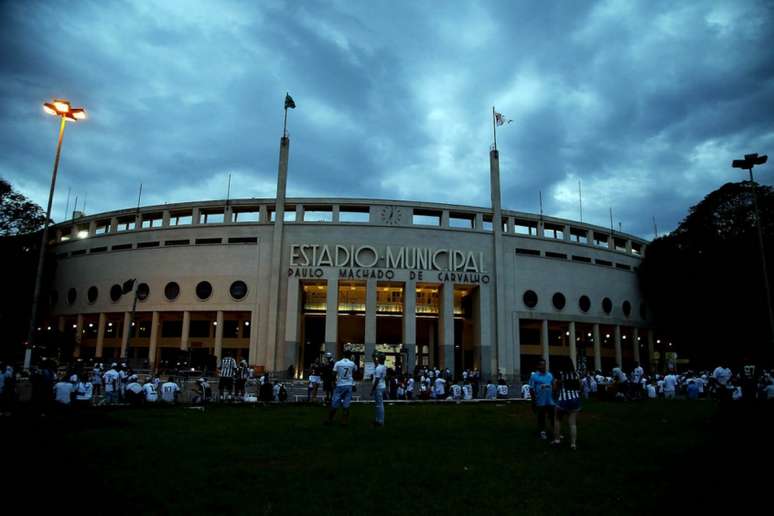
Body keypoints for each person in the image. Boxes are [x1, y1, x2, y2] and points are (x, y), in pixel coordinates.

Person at [326, 350, 357, 426]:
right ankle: (344, 422)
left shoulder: (338, 363)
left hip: (340, 384)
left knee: (334, 403)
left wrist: (333, 383)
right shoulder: (352, 363)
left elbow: (333, 374)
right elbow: (355, 372)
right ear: (350, 356)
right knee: (346, 405)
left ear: (343, 355)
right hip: (349, 385)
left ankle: (330, 420)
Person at [552, 370, 581, 450]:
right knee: (573, 423)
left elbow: (554, 387)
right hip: (575, 399)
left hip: (563, 399)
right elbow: (580, 385)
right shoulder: (576, 373)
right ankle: (573, 444)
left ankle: (557, 440)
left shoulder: (560, 374)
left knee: (557, 419)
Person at [528, 359, 555, 440]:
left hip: (550, 400)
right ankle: (542, 432)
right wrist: (534, 400)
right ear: (538, 366)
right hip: (540, 401)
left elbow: (553, 385)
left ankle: (555, 432)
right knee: (541, 417)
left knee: (552, 417)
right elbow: (531, 389)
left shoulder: (550, 375)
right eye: (541, 365)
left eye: (544, 365)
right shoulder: (534, 376)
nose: (543, 366)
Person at [371, 353, 387, 426]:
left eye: (378, 358)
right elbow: (376, 362)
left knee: (380, 405)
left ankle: (381, 421)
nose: (377, 359)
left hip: (378, 388)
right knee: (378, 405)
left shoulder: (378, 368)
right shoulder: (383, 366)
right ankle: (377, 420)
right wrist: (373, 357)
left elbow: (377, 380)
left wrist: (372, 390)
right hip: (382, 386)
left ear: (380, 359)